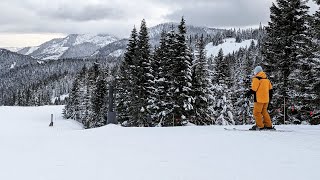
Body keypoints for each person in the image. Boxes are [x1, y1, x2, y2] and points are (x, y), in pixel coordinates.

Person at [245, 66, 274, 130]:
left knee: (256, 112)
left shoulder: (256, 79)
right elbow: (271, 90)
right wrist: (269, 98)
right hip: (266, 99)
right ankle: (269, 125)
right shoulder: (267, 80)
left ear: (257, 72)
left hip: (259, 99)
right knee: (264, 111)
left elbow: (253, 89)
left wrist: (247, 94)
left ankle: (260, 126)